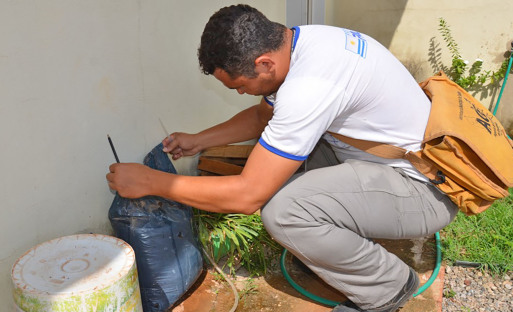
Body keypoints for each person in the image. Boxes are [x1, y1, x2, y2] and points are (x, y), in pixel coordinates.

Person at [106, 4, 458, 312]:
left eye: (239, 85)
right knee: (283, 169)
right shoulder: (305, 42)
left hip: (424, 193)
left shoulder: (309, 87)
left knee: (284, 212)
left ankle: (388, 287)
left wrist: (151, 182)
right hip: (393, 165)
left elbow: (248, 197)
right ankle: (332, 253)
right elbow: (263, 117)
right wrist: (199, 140)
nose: (241, 92)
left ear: (264, 63)